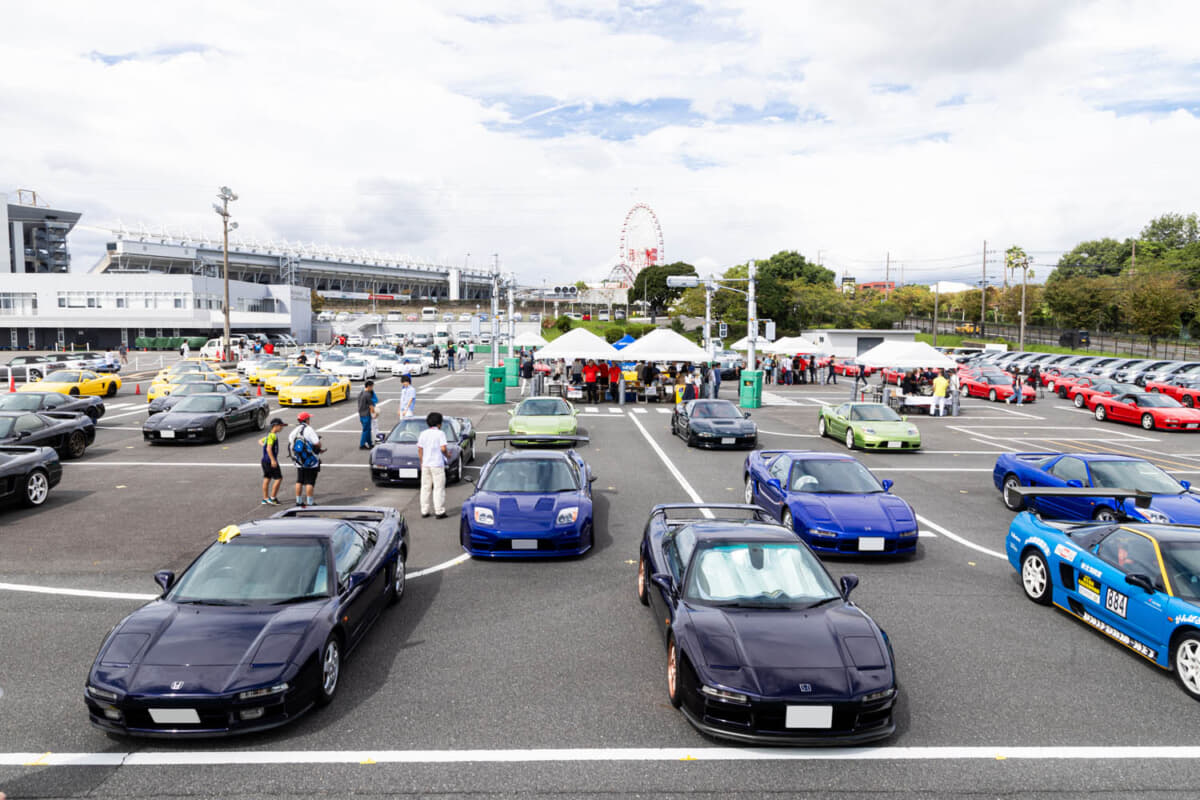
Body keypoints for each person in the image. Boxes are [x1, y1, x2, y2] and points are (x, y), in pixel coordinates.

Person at [417, 411, 449, 519]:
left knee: (425, 488)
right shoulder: (440, 433)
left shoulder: (423, 433)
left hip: (426, 464)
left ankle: (425, 510)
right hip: (437, 464)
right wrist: (447, 455)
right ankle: (439, 511)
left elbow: (420, 449)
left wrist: (422, 462)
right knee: (438, 488)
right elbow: (443, 448)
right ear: (439, 424)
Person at [288, 411, 324, 506]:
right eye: (309, 418)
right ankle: (310, 502)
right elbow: (316, 443)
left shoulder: (295, 431)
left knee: (299, 480)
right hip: (310, 460)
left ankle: (298, 501)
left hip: (299, 460)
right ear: (306, 420)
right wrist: (320, 447)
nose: (309, 420)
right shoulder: (309, 429)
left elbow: (291, 443)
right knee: (309, 481)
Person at [259, 418, 287, 504]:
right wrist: (273, 460)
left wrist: (264, 445)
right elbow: (269, 448)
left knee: (267, 478)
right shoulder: (273, 436)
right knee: (279, 478)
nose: (282, 428)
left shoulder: (269, 435)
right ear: (275, 426)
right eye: (281, 426)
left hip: (264, 460)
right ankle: (273, 498)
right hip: (270, 461)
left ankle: (265, 498)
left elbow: (260, 441)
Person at [358, 379, 378, 450]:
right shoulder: (368, 395)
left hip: (361, 414)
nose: (372, 388)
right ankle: (362, 444)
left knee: (368, 429)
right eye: (372, 386)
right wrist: (374, 414)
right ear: (369, 386)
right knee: (366, 430)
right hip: (366, 414)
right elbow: (371, 406)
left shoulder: (361, 393)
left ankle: (370, 443)